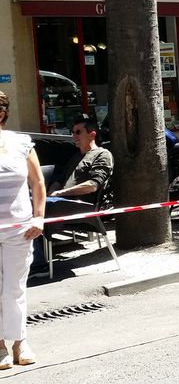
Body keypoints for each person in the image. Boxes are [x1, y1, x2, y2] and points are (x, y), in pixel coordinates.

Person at [34, 113, 114, 272]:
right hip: (60, 202)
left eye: (78, 132)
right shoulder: (75, 156)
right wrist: (52, 191)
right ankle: (32, 260)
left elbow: (93, 185)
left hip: (82, 205)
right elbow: (59, 178)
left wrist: (60, 194)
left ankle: (38, 265)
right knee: (27, 205)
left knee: (31, 208)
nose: (73, 136)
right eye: (72, 132)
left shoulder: (103, 155)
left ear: (92, 134)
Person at [0, 91, 46, 369]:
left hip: (19, 227)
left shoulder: (21, 143)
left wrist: (38, 218)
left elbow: (38, 182)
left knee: (14, 287)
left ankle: (19, 342)